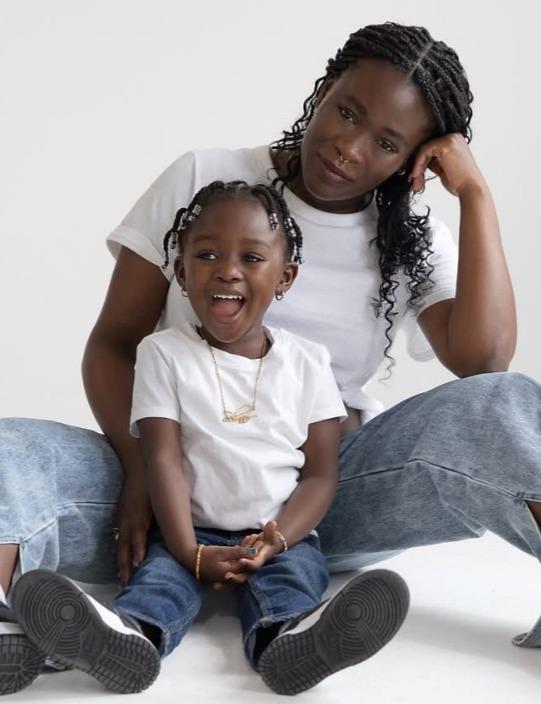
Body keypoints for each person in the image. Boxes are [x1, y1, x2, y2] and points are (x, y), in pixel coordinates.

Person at [1, 17, 540, 695]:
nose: (348, 148)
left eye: (385, 143)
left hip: (321, 493)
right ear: (324, 87)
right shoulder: (206, 177)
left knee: (501, 405)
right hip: (166, 479)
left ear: (412, 162)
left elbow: (483, 359)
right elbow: (113, 343)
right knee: (11, 450)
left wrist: (476, 196)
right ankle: (9, 628)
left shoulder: (409, 234)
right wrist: (140, 471)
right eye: (347, 112)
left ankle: (289, 628)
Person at [5, 181, 409, 696]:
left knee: (293, 579)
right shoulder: (163, 353)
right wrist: (188, 550)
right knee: (158, 585)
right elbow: (162, 460)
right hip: (186, 530)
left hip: (276, 535)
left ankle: (293, 641)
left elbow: (321, 475)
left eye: (251, 257)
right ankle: (122, 636)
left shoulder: (309, 362)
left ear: (284, 277)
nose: (227, 270)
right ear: (181, 273)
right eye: (207, 255)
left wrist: (279, 539)